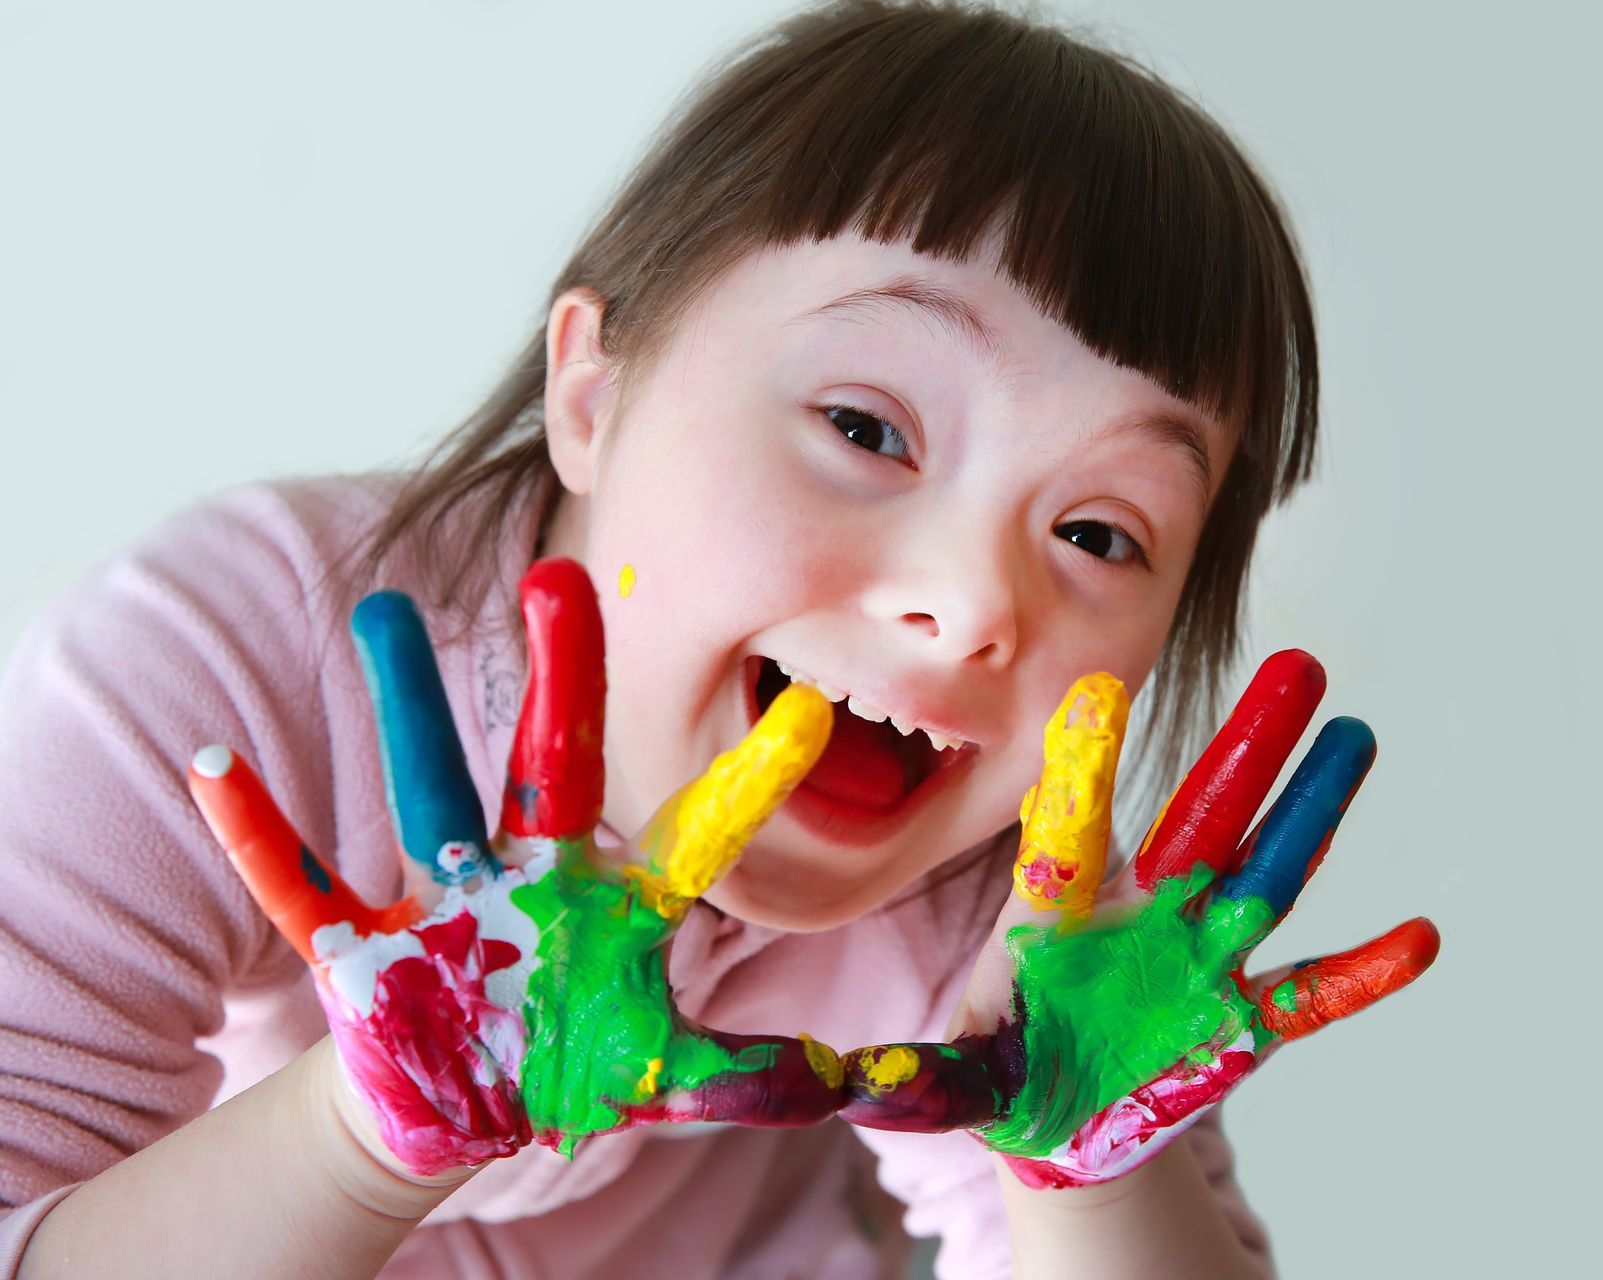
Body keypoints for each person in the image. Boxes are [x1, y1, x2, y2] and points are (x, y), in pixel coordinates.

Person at [0, 2, 1433, 1276]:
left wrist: (1087, 1169)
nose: (981, 603)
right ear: (593, 393)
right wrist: (364, 1134)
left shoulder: (1008, 910)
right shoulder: (238, 661)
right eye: (867, 430)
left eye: (1100, 534)